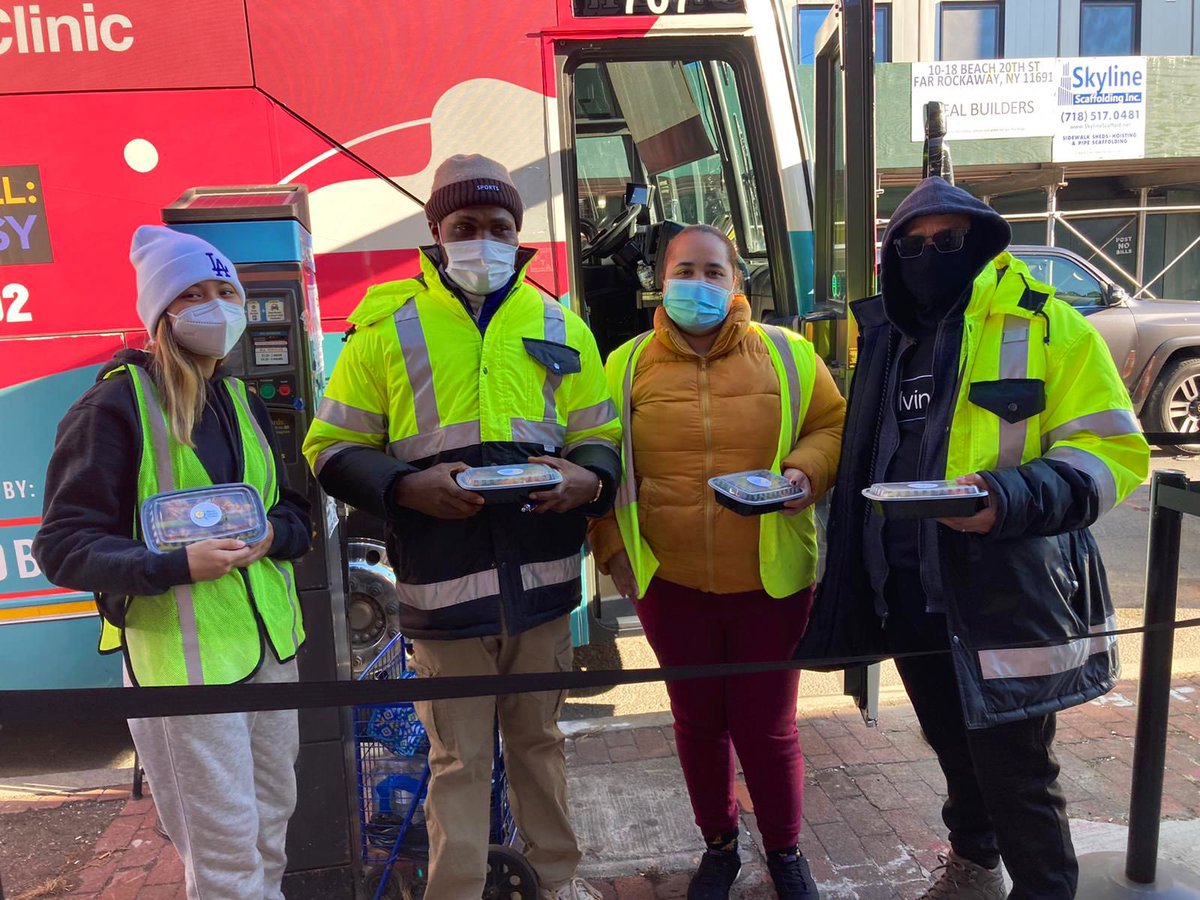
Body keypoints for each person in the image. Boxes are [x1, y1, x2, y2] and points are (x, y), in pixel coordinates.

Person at [802, 177, 1150, 900]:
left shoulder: (1049, 327)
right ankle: (974, 867)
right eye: (912, 244)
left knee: (1018, 773)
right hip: (904, 597)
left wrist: (1006, 498)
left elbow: (1115, 456)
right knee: (956, 754)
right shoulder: (888, 337)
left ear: (982, 243)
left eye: (948, 242)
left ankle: (1043, 889)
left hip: (1002, 599)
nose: (928, 256)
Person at [302, 154, 621, 900]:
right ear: (435, 231)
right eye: (466, 226)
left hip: (542, 593)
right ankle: (459, 894)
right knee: (458, 763)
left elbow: (599, 432)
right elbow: (331, 449)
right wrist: (407, 486)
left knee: (541, 748)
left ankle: (557, 885)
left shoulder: (558, 323)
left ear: (520, 234)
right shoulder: (385, 329)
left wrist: (589, 477)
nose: (483, 239)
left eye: (498, 227)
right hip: (443, 598)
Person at [33, 226, 313, 900]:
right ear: (161, 311)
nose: (215, 307)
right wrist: (174, 565)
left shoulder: (242, 400)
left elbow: (295, 515)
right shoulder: (114, 405)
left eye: (226, 292)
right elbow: (63, 545)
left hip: (272, 657)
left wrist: (273, 536)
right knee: (224, 857)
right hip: (186, 676)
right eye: (194, 293)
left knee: (270, 832)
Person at [589, 225, 845, 900]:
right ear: (660, 281)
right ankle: (720, 846)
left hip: (772, 583)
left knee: (768, 728)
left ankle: (786, 852)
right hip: (669, 584)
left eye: (712, 272)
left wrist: (802, 476)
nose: (697, 285)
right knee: (698, 723)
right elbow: (597, 461)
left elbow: (832, 425)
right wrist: (614, 552)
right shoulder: (623, 364)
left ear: (737, 282)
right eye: (683, 271)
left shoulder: (789, 355)